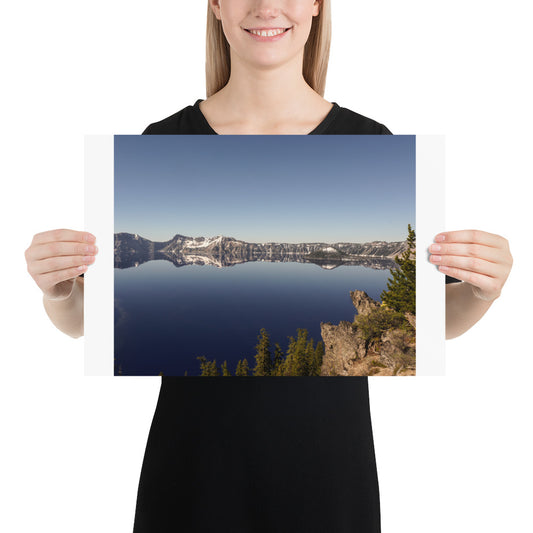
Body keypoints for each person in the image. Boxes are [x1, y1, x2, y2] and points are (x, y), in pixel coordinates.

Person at [24, 1, 513, 531]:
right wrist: (60, 291)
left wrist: (483, 291)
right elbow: (88, 325)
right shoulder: (161, 142)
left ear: (317, 6)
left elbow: (425, 325)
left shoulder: (372, 143)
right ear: (215, 5)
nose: (266, 6)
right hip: (192, 475)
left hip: (328, 477)